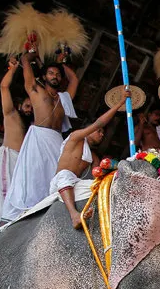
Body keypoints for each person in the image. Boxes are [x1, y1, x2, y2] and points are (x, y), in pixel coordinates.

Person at [2, 43, 79, 222]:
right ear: (43, 76)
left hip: (56, 140)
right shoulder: (35, 90)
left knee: (56, 176)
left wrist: (62, 63)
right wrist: (30, 56)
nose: (55, 76)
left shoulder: (64, 98)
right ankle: (30, 214)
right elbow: (24, 62)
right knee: (34, 175)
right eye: (51, 73)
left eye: (58, 74)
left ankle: (53, 212)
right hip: (39, 138)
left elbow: (74, 79)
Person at [50, 90, 130, 228]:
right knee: (65, 175)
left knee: (100, 187)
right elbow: (99, 123)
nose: (101, 134)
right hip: (61, 182)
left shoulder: (94, 156)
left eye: (103, 133)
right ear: (88, 129)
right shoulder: (76, 137)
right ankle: (74, 215)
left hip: (76, 183)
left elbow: (96, 176)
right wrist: (120, 103)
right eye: (99, 131)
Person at [0, 57, 32, 237]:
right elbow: (4, 87)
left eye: (32, 107)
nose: (29, 109)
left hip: (20, 164)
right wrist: (13, 68)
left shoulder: (32, 127)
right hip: (7, 158)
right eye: (27, 105)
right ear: (20, 105)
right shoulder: (11, 115)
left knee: (14, 196)